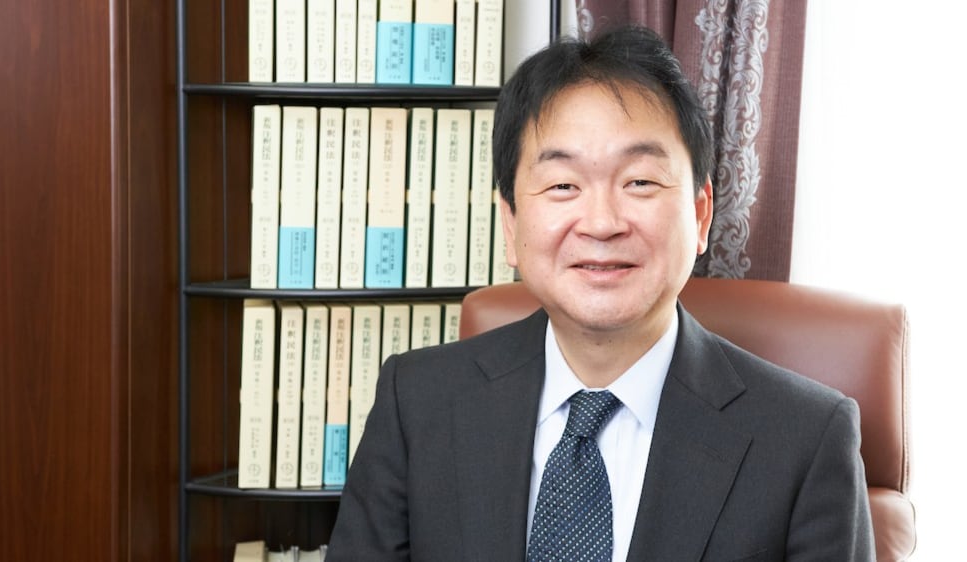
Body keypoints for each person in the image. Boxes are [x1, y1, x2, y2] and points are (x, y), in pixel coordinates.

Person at [327, 24, 873, 561]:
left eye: (640, 181)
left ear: (701, 214)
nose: (602, 223)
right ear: (510, 224)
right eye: (563, 185)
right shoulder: (416, 403)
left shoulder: (806, 439)